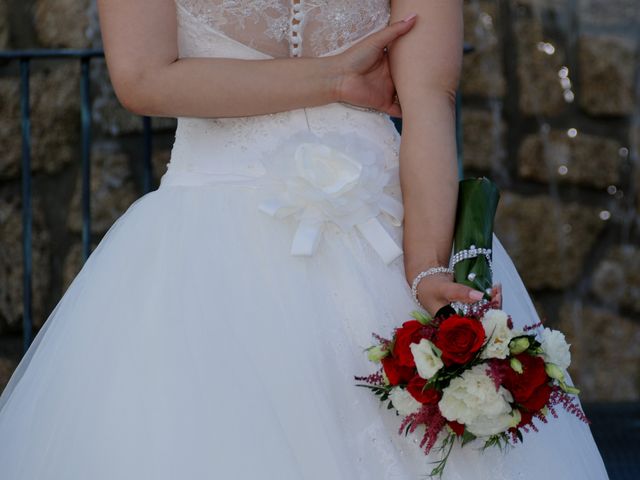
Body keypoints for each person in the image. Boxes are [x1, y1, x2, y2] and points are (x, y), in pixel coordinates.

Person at [0, 1, 609, 479]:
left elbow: (429, 100)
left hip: (388, 232)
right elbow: (143, 79)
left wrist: (424, 268)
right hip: (211, 240)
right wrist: (334, 79)